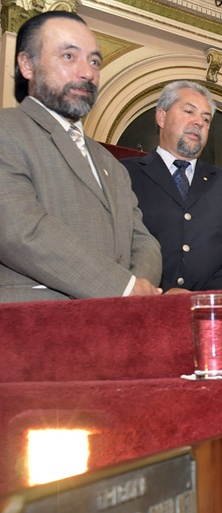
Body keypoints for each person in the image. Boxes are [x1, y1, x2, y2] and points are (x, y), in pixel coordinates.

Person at [0, 11, 161, 303]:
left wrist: (141, 291)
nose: (87, 72)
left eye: (95, 61)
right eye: (69, 56)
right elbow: (18, 229)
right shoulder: (7, 130)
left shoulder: (110, 163)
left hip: (120, 325)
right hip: (34, 329)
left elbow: (144, 241)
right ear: (27, 64)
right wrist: (123, 287)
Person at [121, 81, 222, 292]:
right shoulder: (124, 174)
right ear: (161, 117)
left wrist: (205, 299)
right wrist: (161, 293)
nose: (199, 122)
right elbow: (116, 244)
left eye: (206, 118)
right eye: (189, 111)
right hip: (146, 306)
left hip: (212, 310)